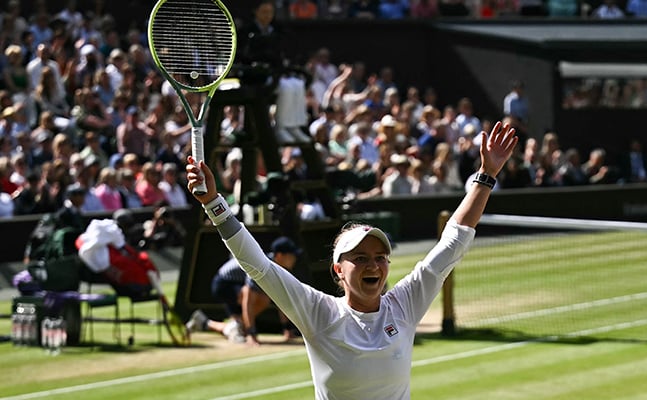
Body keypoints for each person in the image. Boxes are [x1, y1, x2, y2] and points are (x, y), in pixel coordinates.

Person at [184, 120, 517, 398]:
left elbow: (453, 242)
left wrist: (486, 176)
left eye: (380, 257)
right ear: (338, 270)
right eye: (360, 257)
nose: (373, 265)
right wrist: (214, 203)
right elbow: (257, 265)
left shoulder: (405, 304)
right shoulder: (318, 312)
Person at [187, 236, 303, 345]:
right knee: (261, 298)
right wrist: (251, 334)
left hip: (235, 284)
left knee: (263, 298)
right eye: (291, 255)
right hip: (223, 284)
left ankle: (205, 323)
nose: (294, 258)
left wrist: (287, 329)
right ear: (279, 255)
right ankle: (237, 328)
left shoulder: (277, 269)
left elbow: (281, 299)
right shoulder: (260, 265)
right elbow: (248, 300)